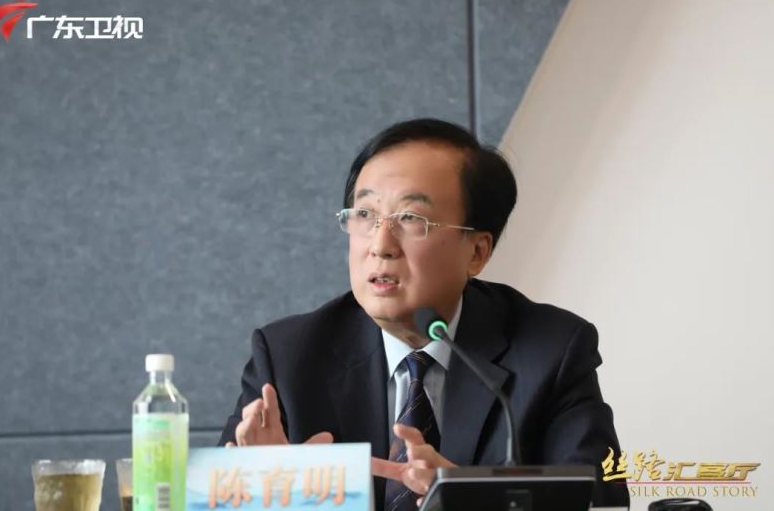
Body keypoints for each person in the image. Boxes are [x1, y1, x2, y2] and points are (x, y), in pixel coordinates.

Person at [219, 118, 630, 509]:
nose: (381, 245)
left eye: (411, 219)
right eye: (365, 215)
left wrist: (468, 501)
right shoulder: (288, 357)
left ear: (477, 252)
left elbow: (601, 503)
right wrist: (267, 495)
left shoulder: (551, 351)